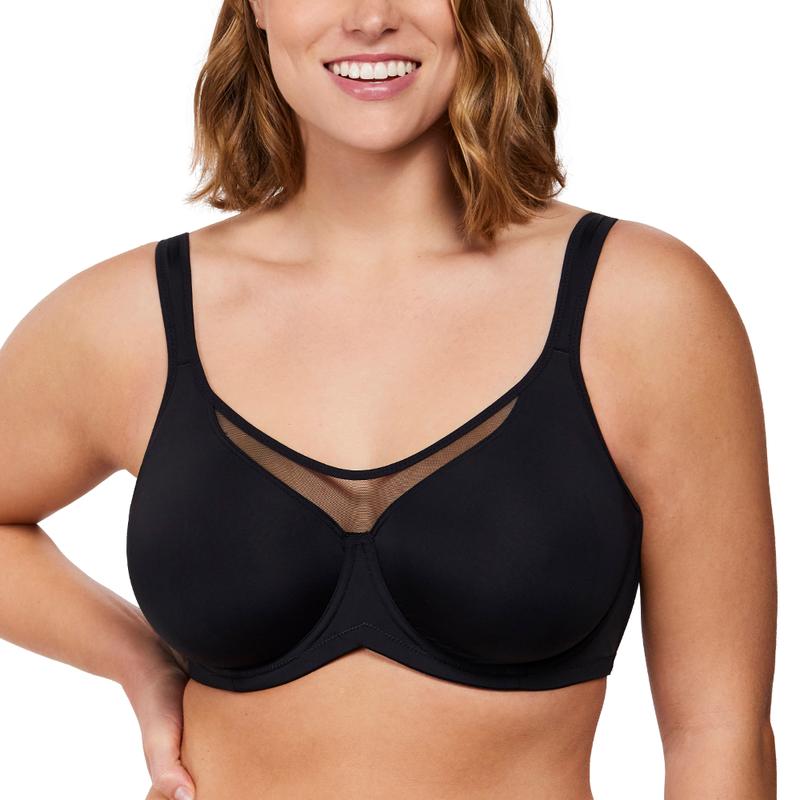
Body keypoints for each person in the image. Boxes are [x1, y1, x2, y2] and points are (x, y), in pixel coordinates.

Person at [0, 1, 777, 798]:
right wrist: (139, 661)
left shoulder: (640, 306)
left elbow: (718, 733)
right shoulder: (135, 320)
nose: (371, 17)